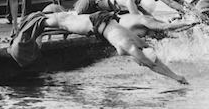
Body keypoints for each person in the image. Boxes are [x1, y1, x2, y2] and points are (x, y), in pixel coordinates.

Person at [41, 10, 188, 84]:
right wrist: (177, 78)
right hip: (96, 24)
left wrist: (176, 76)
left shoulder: (139, 43)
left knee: (64, 19)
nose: (141, 65)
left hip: (104, 22)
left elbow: (155, 64)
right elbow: (153, 65)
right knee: (62, 22)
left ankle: (40, 19)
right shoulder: (132, 46)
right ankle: (38, 20)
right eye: (142, 62)